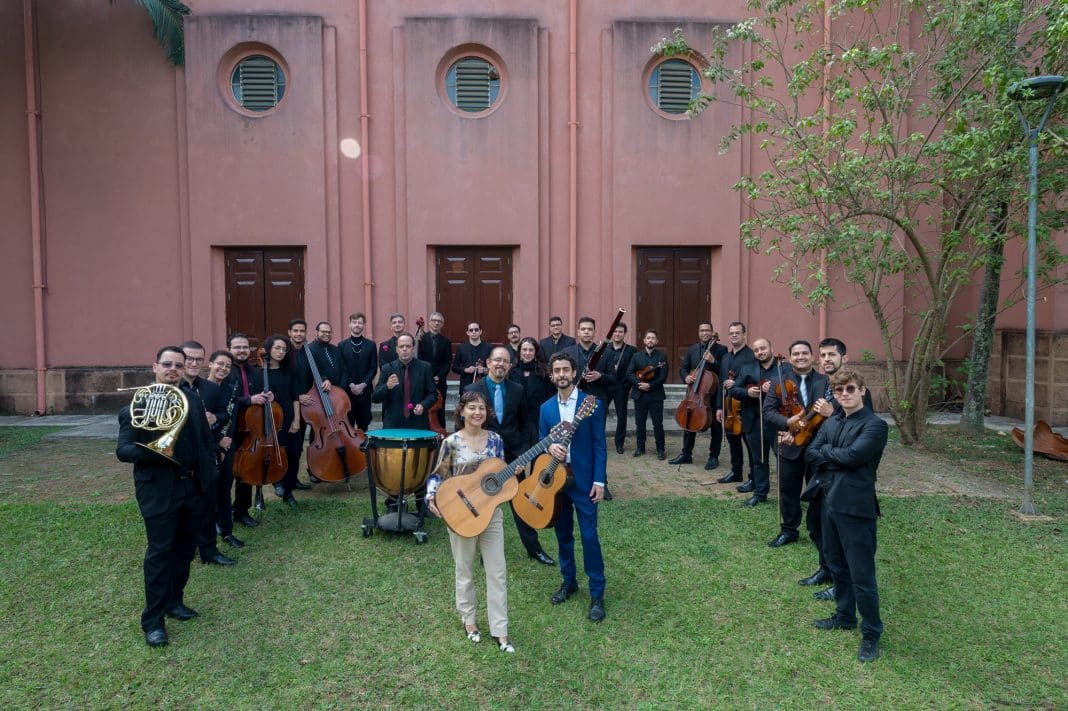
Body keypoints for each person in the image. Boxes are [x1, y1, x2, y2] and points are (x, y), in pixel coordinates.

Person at [116, 346, 218, 647]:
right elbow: (123, 450)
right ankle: (153, 621)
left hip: (192, 487)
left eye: (178, 365)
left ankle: (175, 601)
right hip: (159, 491)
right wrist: (155, 451)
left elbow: (203, 441)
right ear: (155, 367)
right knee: (160, 554)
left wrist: (208, 476)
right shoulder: (135, 407)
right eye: (167, 364)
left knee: (185, 550)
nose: (173, 369)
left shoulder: (192, 401)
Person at [805, 368, 888, 663]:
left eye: (850, 389)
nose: (844, 395)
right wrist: (834, 454)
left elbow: (854, 457)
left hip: (855, 507)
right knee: (837, 566)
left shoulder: (875, 426)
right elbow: (810, 453)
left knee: (861, 574)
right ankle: (843, 615)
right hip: (828, 502)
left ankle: (871, 633)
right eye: (839, 391)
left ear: (862, 390)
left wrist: (829, 453)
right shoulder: (833, 421)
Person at [426, 391, 514, 652]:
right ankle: (469, 620)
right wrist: (432, 499)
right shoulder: (451, 443)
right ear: (462, 411)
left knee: (497, 571)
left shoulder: (496, 440)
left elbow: (499, 475)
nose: (477, 413)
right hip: (460, 514)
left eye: (482, 409)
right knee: (464, 569)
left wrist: (512, 474)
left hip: (491, 514)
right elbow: (438, 475)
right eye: (472, 408)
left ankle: (500, 629)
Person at [466, 346, 555, 566]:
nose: (500, 365)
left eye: (505, 361)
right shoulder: (472, 389)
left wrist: (524, 456)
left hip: (515, 456)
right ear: (488, 363)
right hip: (484, 458)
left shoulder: (517, 389)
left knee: (521, 503)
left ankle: (533, 549)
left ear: (509, 366)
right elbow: (465, 426)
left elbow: (525, 423)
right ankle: (485, 552)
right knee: (486, 503)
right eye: (496, 360)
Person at [541, 353, 608, 623]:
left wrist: (599, 481)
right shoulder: (545, 408)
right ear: (551, 375)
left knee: (589, 536)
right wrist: (549, 446)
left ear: (574, 372)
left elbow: (599, 445)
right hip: (558, 481)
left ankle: (597, 593)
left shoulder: (591, 404)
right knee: (563, 534)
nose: (561, 375)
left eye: (565, 370)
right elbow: (540, 439)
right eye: (556, 370)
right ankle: (569, 582)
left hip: (584, 482)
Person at [763, 340, 833, 549]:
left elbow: (834, 412)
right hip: (789, 442)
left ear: (813, 357)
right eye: (796, 354)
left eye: (804, 353)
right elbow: (767, 412)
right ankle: (789, 530)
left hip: (818, 445)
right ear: (790, 357)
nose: (800, 357)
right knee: (788, 491)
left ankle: (816, 531)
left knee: (818, 491)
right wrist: (786, 422)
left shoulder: (826, 381)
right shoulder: (778, 381)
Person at [179, 340, 234, 567]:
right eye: (188, 359)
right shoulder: (173, 386)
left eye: (198, 359)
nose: (193, 363)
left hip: (206, 454)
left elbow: (224, 414)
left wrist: (215, 418)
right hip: (181, 457)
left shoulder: (211, 388)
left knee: (208, 503)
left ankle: (209, 551)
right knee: (183, 508)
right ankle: (184, 549)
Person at [669, 323, 727, 468]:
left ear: (712, 332)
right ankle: (686, 454)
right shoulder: (692, 349)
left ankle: (713, 457)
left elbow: (725, 371)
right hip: (694, 393)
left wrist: (714, 361)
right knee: (688, 423)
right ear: (698, 332)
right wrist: (686, 378)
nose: (705, 333)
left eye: (707, 330)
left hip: (712, 395)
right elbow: (683, 369)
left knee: (715, 427)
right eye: (702, 330)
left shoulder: (721, 350)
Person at [715, 322, 765, 488]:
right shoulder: (726, 358)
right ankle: (736, 472)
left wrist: (736, 384)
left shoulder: (752, 356)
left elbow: (756, 381)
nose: (734, 335)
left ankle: (753, 478)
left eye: (737, 333)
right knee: (732, 440)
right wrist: (719, 407)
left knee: (750, 443)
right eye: (731, 333)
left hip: (747, 406)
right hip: (729, 406)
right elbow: (721, 384)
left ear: (744, 335)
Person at [204, 349, 244, 551]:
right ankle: (205, 536)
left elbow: (232, 415)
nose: (223, 368)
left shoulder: (231, 388)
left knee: (225, 489)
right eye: (219, 364)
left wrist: (227, 440)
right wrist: (218, 440)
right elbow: (200, 423)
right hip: (208, 447)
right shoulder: (199, 389)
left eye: (228, 366)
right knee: (207, 493)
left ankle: (227, 531)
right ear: (210, 364)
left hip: (227, 444)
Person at [740, 337, 787, 504]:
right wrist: (748, 392)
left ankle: (787, 495)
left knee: (784, 460)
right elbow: (734, 389)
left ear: (771, 348)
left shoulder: (784, 367)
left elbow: (792, 389)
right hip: (755, 422)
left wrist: (774, 387)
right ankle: (760, 494)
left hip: (778, 422)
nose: (760, 352)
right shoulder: (747, 368)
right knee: (759, 460)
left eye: (763, 348)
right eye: (756, 350)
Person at [226, 333, 265, 528]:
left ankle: (241, 510)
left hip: (250, 430)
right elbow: (225, 399)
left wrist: (267, 396)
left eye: (245, 347)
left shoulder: (255, 371)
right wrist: (249, 400)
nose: (242, 350)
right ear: (229, 350)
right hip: (229, 430)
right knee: (226, 475)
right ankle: (222, 514)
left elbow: (260, 395)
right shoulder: (225, 370)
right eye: (237, 347)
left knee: (247, 470)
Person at [260, 334, 302, 506]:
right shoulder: (260, 371)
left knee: (294, 452)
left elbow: (295, 397)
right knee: (275, 453)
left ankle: (289, 490)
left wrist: (297, 420)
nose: (281, 351)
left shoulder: (290, 370)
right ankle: (276, 482)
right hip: (269, 417)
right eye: (277, 348)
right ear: (269, 349)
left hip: (288, 414)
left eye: (284, 349)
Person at [373, 333, 438, 429]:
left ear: (413, 348)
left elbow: (433, 394)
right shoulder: (387, 369)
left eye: (408, 346)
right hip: (393, 425)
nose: (404, 349)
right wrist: (387, 386)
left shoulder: (425, 367)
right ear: (396, 349)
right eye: (401, 346)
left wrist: (423, 405)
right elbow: (375, 398)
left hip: (418, 423)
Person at [284, 319, 314, 493]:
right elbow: (282, 381)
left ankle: (293, 479)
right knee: (289, 446)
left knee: (297, 446)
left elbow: (313, 374)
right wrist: (297, 396)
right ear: (289, 332)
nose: (299, 334)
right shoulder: (284, 352)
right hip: (289, 405)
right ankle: (284, 482)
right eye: (295, 331)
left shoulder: (307, 352)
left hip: (305, 406)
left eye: (302, 331)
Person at [628, 329, 668, 460]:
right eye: (648, 338)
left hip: (655, 395)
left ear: (656, 341)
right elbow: (629, 373)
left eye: (653, 338)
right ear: (644, 341)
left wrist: (650, 385)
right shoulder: (636, 356)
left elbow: (663, 377)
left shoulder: (661, 357)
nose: (650, 340)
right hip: (640, 394)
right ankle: (640, 447)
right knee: (640, 423)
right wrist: (639, 384)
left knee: (658, 423)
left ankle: (660, 449)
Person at [509, 337, 555, 446]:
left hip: (539, 422)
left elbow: (550, 398)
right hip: (518, 423)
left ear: (536, 353)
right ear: (519, 352)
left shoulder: (544, 372)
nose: (527, 353)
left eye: (531, 350)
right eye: (524, 350)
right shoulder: (512, 372)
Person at [598, 322, 636, 455]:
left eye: (620, 332)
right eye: (615, 331)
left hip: (621, 387)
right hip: (605, 387)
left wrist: (627, 386)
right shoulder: (605, 349)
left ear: (625, 334)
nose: (617, 334)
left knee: (622, 416)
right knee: (600, 415)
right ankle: (599, 441)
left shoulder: (631, 350)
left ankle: (619, 444)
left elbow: (633, 370)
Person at [561, 316, 617, 403]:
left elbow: (614, 379)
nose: (586, 332)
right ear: (578, 332)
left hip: (598, 400)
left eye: (590, 329)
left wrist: (600, 376)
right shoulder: (567, 352)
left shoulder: (607, 353)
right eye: (583, 329)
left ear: (595, 332)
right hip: (573, 399)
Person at [339, 312, 378, 432]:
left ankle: (363, 450)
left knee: (364, 425)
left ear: (364, 325)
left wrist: (362, 385)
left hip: (365, 392)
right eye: (354, 322)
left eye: (360, 322)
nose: (357, 325)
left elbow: (373, 368)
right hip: (347, 392)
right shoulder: (341, 345)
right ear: (350, 325)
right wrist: (351, 385)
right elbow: (342, 368)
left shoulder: (371, 345)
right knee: (348, 424)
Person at [417, 311, 452, 430]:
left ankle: (441, 433)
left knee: (440, 409)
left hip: (440, 381)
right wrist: (428, 376)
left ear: (442, 324)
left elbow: (448, 362)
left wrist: (439, 377)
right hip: (425, 381)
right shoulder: (421, 339)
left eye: (439, 321)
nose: (436, 323)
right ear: (429, 323)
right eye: (434, 321)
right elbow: (419, 360)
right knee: (425, 408)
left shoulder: (446, 342)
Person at [452, 321, 494, 392]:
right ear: (467, 333)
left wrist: (485, 370)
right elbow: (454, 367)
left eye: (476, 330)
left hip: (485, 385)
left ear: (480, 331)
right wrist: (466, 370)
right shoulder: (461, 348)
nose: (474, 332)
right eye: (471, 330)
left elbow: (494, 367)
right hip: (466, 385)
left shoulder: (489, 347)